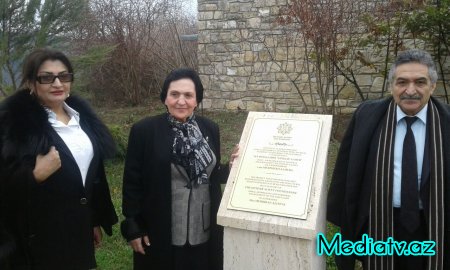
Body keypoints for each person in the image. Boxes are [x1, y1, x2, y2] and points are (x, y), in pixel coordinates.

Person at [327, 49, 450, 270]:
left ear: (432, 86)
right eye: (402, 82)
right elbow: (346, 170)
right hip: (380, 223)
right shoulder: (367, 116)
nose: (410, 90)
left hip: (434, 223)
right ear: (391, 85)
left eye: (420, 82)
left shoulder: (447, 122)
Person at [0, 48, 118, 269]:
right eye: (47, 78)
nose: (57, 83)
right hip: (35, 239)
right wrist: (34, 175)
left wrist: (92, 219)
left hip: (76, 229)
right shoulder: (14, 125)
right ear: (31, 83)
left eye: (64, 76)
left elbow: (90, 176)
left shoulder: (82, 119)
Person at [121, 68, 239, 270]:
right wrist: (133, 226)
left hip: (203, 229)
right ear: (165, 98)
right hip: (161, 229)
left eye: (188, 95)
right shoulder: (144, 131)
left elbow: (209, 174)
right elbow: (132, 181)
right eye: (174, 94)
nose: (181, 101)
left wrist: (232, 167)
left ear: (197, 100)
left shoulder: (210, 128)